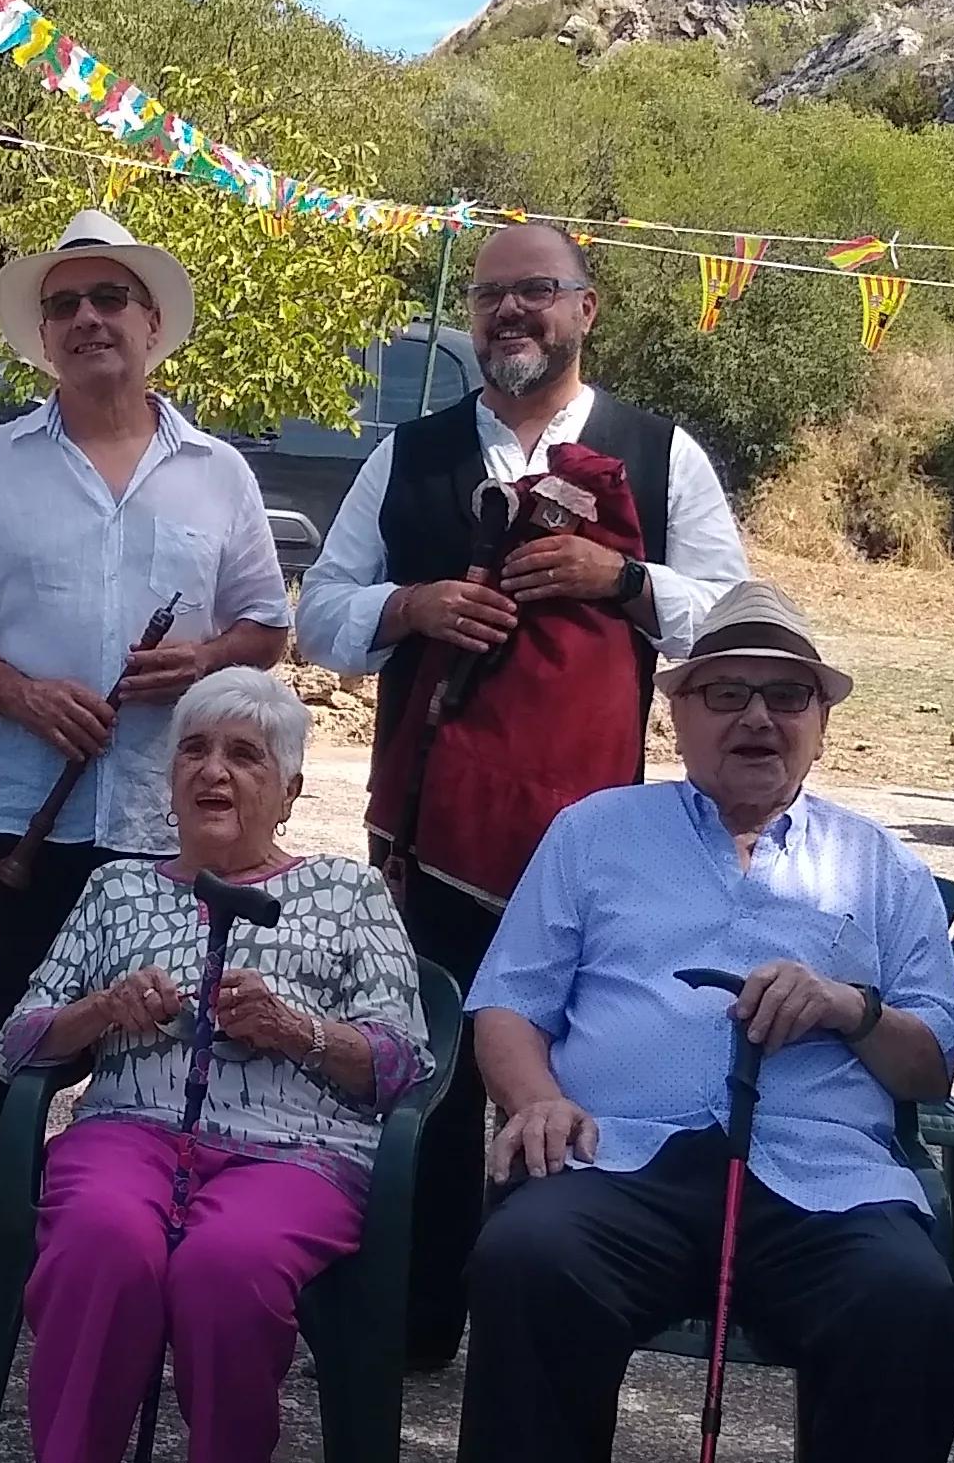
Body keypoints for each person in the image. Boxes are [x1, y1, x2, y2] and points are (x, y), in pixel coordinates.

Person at [461, 579, 954, 1463]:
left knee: (910, 1306)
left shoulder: (880, 868)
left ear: (822, 722)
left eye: (785, 696)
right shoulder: (594, 832)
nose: (757, 718)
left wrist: (849, 1009)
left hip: (819, 1174)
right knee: (526, 1260)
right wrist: (535, 1101)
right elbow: (506, 1005)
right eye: (727, 693)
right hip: (624, 1153)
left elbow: (931, 1057)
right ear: (677, 713)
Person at [294, 219, 745, 1373]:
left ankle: (550, 1309)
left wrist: (623, 578)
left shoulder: (659, 453)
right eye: (491, 296)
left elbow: (737, 620)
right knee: (435, 1072)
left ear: (585, 310)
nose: (510, 313)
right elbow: (322, 613)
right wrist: (410, 609)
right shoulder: (411, 454)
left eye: (537, 292)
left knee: (569, 1070)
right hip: (436, 828)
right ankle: (417, 1318)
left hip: (595, 838)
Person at [0, 668, 431, 1463]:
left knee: (227, 1265)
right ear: (168, 775)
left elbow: (402, 1063)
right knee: (100, 1239)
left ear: (292, 788)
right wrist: (103, 1014)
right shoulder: (118, 886)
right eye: (194, 749)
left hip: (299, 1153)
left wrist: (299, 1031)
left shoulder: (347, 892)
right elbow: (16, 1047)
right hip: (131, 1133)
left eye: (243, 754)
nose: (213, 772)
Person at [0, 208, 290, 1338]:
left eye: (109, 298)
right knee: (13, 1018)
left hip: (180, 817)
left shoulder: (218, 475)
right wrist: (22, 694)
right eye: (64, 304)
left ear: (152, 322)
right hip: (29, 805)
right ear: (43, 331)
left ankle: (143, 1232)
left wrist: (205, 660)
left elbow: (266, 628)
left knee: (165, 1024)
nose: (87, 319)